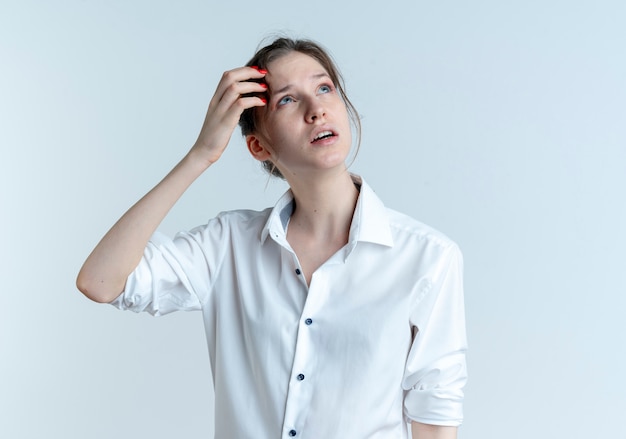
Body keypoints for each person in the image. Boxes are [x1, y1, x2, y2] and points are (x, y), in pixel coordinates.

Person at [77, 37, 468, 439]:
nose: (316, 111)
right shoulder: (228, 246)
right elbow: (100, 282)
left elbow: (434, 421)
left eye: (324, 88)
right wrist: (201, 155)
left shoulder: (427, 259)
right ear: (258, 146)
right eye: (287, 100)